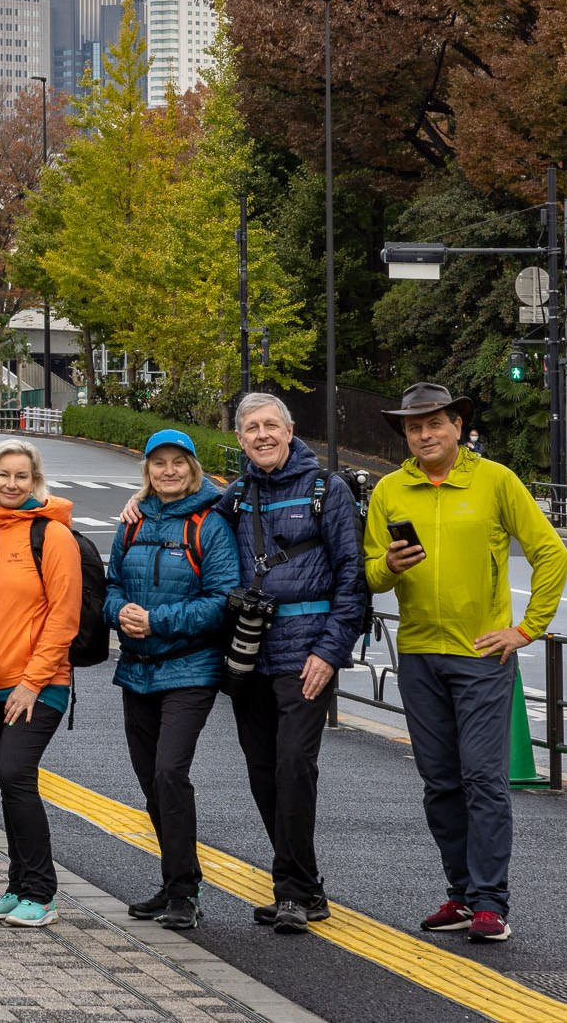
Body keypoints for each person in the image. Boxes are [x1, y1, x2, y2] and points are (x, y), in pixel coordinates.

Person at [365, 382, 567, 945]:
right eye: (413, 427)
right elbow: (368, 574)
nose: (424, 434)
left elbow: (551, 552)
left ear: (458, 425)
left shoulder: (495, 481)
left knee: (483, 779)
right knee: (439, 782)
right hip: (419, 654)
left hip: (482, 655)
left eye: (434, 423)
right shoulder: (389, 491)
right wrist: (389, 563)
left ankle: (489, 902)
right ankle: (459, 894)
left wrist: (528, 628)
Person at [209, 392, 369, 935]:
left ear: (291, 428)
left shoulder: (328, 490)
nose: (262, 435)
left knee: (294, 766)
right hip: (248, 652)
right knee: (262, 771)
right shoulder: (237, 494)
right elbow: (188, 517)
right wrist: (139, 504)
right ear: (239, 440)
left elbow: (353, 577)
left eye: (271, 425)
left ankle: (294, 892)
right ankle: (306, 884)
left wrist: (330, 651)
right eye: (251, 428)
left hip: (305, 653)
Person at [103, 429, 239, 931]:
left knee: (168, 774)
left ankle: (185, 891)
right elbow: (111, 584)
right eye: (158, 463)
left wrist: (158, 621)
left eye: (178, 462)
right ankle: (174, 878)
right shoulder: (132, 522)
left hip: (190, 668)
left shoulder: (211, 522)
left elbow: (222, 599)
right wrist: (122, 613)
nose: (169, 471)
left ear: (194, 467)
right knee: (150, 783)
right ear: (147, 471)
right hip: (136, 669)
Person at [0, 438, 80, 929]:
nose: (11, 483)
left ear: (36, 482)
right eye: (3, 475)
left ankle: (41, 893)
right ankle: (17, 885)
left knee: (15, 775)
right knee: (8, 783)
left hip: (38, 684)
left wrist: (32, 682)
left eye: (22, 476)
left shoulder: (52, 537)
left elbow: (64, 617)